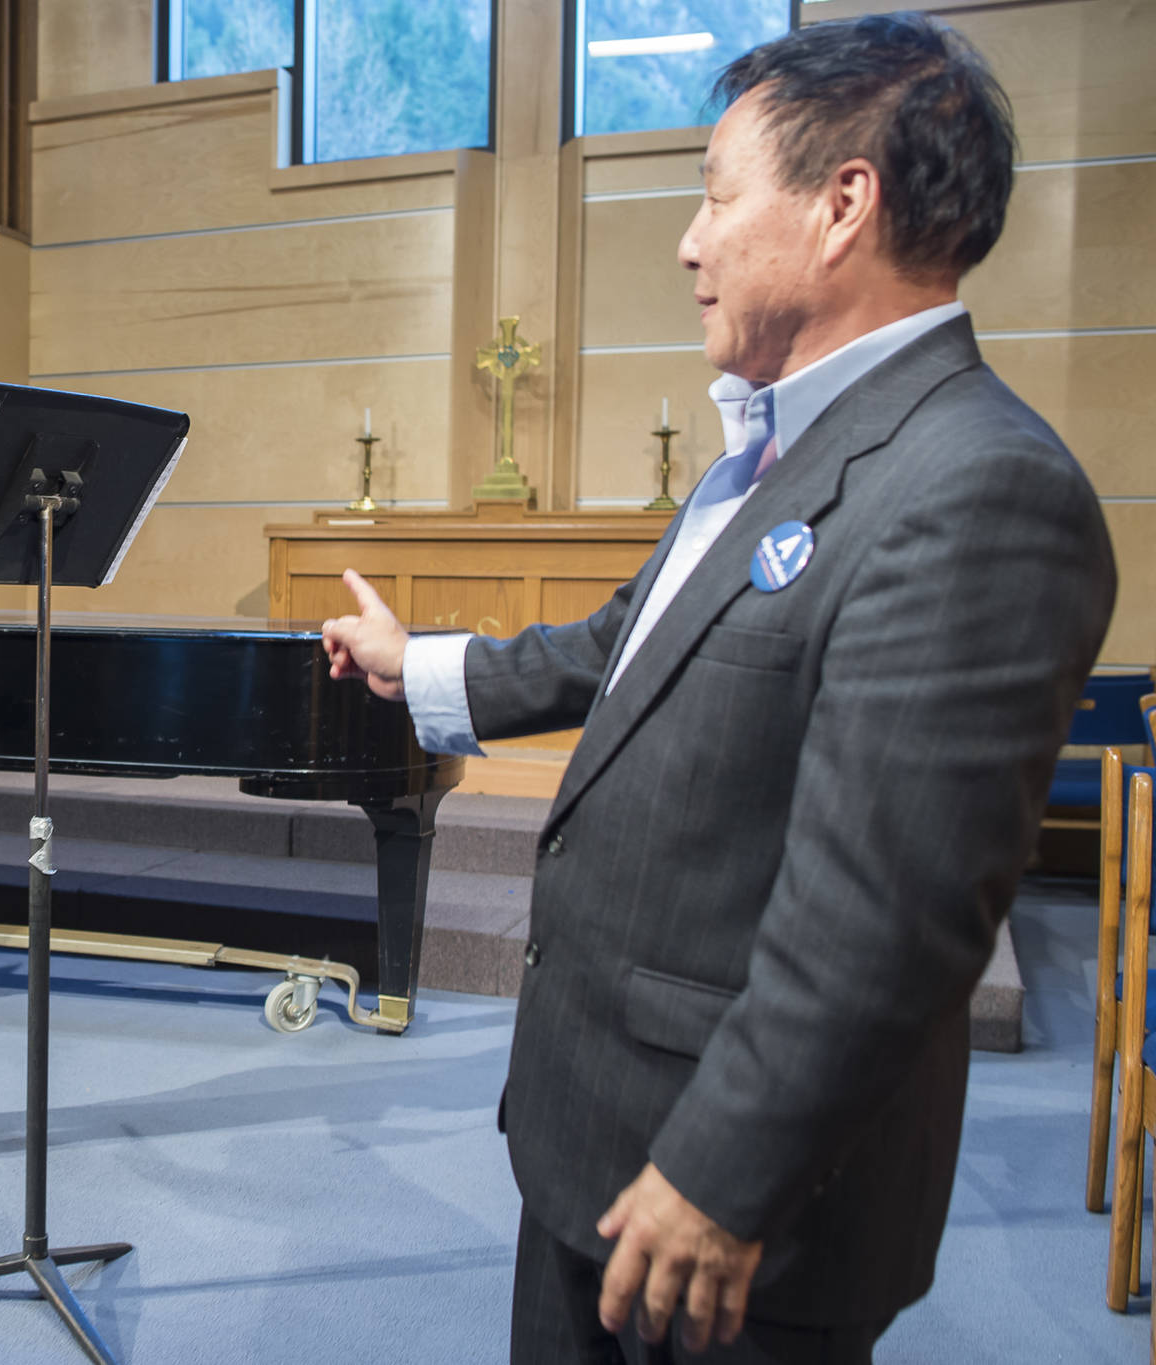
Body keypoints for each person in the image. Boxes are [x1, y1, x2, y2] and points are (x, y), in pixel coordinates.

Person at [322, 15, 1115, 1363]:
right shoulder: (775, 445)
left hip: (726, 1207)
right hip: (601, 1137)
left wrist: (725, 1172)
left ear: (842, 205)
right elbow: (625, 646)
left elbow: (892, 905)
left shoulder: (978, 486)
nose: (689, 243)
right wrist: (423, 670)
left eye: (715, 194)